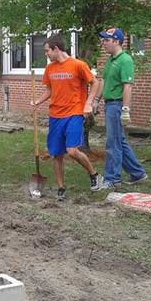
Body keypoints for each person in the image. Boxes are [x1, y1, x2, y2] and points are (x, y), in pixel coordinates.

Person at [31, 35, 102, 201]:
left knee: (72, 150)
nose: (46, 54)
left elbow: (95, 83)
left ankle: (94, 174)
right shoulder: (50, 69)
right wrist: (38, 101)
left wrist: (88, 103)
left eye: (47, 51)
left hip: (74, 113)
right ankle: (61, 188)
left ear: (56, 49)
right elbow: (49, 90)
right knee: (57, 154)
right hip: (55, 115)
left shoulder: (78, 65)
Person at [94, 28, 147, 190]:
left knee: (113, 143)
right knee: (119, 141)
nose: (103, 43)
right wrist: (96, 100)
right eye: (103, 40)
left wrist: (125, 109)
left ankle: (112, 179)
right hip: (109, 104)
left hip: (117, 105)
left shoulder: (125, 60)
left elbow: (127, 86)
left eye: (106, 40)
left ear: (116, 41)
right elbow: (103, 81)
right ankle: (137, 173)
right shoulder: (110, 60)